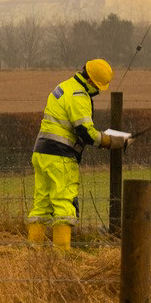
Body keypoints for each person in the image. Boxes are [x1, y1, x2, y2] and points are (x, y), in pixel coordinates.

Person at [27, 58, 126, 249]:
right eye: (98, 87)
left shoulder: (64, 86)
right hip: (60, 157)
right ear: (91, 81)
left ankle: (34, 256)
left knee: (41, 204)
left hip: (41, 153)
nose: (97, 92)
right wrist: (109, 141)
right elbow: (86, 133)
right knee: (64, 204)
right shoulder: (79, 96)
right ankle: (62, 256)